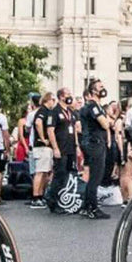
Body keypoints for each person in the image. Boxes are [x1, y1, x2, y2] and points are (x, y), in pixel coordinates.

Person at [75, 79, 112, 220]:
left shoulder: (95, 106)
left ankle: (86, 206)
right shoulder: (93, 106)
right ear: (93, 91)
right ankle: (93, 208)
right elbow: (105, 124)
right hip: (94, 143)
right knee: (96, 177)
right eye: (100, 87)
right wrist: (108, 121)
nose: (103, 89)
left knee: (93, 176)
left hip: (92, 143)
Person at [46, 86, 79, 214]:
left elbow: (74, 129)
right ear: (61, 97)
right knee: (59, 174)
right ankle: (51, 199)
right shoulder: (55, 111)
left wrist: (76, 146)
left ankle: (62, 199)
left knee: (67, 174)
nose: (70, 96)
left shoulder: (70, 112)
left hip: (70, 148)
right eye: (68, 94)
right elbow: (50, 130)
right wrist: (55, 148)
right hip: (61, 148)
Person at [29, 91, 59, 209]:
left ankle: (40, 195)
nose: (54, 102)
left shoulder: (47, 112)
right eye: (52, 100)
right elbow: (38, 123)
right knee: (40, 172)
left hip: (45, 147)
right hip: (41, 146)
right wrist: (43, 138)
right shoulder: (42, 111)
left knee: (45, 172)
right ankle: (35, 197)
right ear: (47, 100)